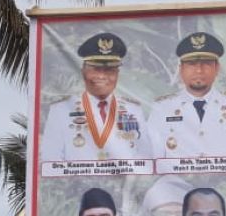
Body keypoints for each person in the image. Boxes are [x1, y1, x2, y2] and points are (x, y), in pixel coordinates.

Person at [41, 32, 153, 161]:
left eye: (109, 70)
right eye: (95, 69)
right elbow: (50, 161)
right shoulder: (61, 111)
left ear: (117, 73)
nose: (101, 76)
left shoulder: (133, 110)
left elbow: (145, 159)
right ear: (83, 71)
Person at [146, 32, 226, 157]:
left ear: (217, 68)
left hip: (224, 176)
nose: (199, 70)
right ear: (181, 69)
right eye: (191, 64)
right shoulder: (162, 108)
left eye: (206, 64)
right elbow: (153, 158)